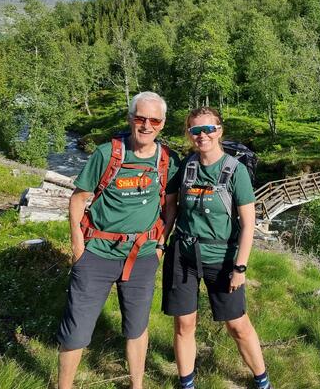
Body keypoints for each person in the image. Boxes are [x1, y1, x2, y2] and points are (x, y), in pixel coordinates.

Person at [57, 91, 180, 389]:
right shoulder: (106, 154)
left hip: (143, 256)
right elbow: (79, 199)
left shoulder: (167, 160)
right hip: (97, 253)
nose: (146, 125)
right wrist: (78, 245)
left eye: (154, 120)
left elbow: (170, 205)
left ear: (162, 124)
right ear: (130, 119)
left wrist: (161, 244)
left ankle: (136, 385)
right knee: (77, 329)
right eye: (140, 118)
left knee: (137, 328)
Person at [162, 107, 272, 389]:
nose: (202, 135)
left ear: (219, 131)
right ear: (189, 134)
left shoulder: (235, 171)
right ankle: (187, 383)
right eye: (195, 130)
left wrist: (240, 267)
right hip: (183, 256)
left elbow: (249, 224)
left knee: (237, 325)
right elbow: (171, 207)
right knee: (184, 325)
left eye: (208, 129)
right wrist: (161, 242)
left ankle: (262, 380)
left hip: (221, 258)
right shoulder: (185, 166)